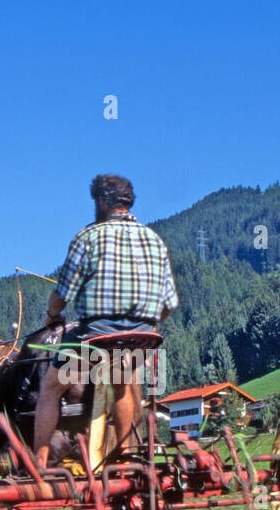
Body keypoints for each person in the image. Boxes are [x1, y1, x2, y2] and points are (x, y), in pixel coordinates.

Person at [33, 174, 179, 468]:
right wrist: (149, 325)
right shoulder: (155, 240)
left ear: (101, 201)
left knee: (51, 388)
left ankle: (39, 459)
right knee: (121, 383)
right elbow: (169, 304)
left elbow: (62, 295)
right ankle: (125, 457)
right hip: (139, 340)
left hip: (96, 338)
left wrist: (52, 316)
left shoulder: (87, 238)